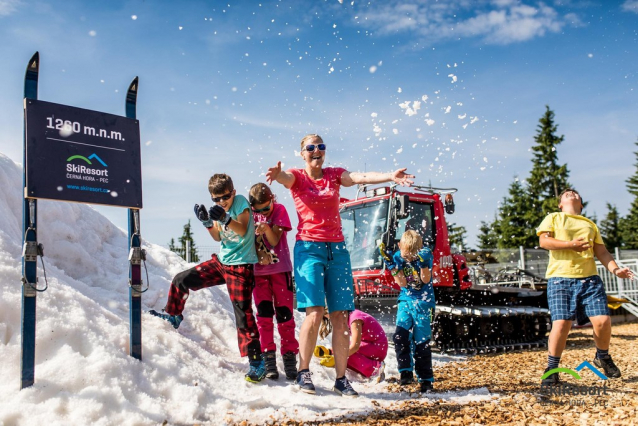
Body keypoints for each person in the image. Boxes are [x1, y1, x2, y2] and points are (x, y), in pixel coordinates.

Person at [266, 133, 414, 397]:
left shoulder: (334, 175)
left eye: (321, 146)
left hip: (337, 251)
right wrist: (277, 176)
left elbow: (359, 178)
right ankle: (303, 372)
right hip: (309, 249)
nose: (316, 150)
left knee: (341, 316)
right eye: (310, 147)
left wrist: (390, 176)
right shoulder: (297, 176)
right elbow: (285, 179)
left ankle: (341, 379)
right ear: (302, 153)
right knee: (314, 311)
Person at [149, 174, 265, 383]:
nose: (222, 202)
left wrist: (225, 218)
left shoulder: (240, 204)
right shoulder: (220, 210)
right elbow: (218, 237)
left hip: (240, 266)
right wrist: (206, 222)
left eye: (225, 197)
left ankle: (257, 361)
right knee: (181, 280)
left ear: (233, 192)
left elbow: (242, 230)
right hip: (222, 263)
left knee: (242, 312)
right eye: (217, 199)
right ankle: (174, 316)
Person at [537, 188, 634, 385]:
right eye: (566, 194)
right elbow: (544, 241)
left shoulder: (590, 224)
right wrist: (570, 245)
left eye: (575, 193)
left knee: (603, 321)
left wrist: (616, 270)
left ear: (581, 204)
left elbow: (603, 253)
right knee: (562, 324)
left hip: (590, 280)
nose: (571, 193)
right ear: (560, 204)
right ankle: (552, 369)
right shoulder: (554, 218)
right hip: (560, 279)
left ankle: (602, 356)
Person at [249, 183, 299, 381]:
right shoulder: (250, 214)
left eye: (265, 208)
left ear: (272, 200)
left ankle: (289, 358)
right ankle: (269, 358)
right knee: (264, 317)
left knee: (285, 316)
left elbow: (275, 240)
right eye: (257, 210)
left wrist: (266, 227)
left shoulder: (279, 210)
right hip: (258, 273)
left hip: (280, 271)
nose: (261, 212)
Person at [379, 230, 436, 393]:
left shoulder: (425, 256)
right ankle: (405, 372)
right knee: (400, 336)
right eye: (406, 255)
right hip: (406, 299)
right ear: (399, 247)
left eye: (412, 256)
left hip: (423, 303)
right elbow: (403, 283)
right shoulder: (398, 256)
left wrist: (423, 264)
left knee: (422, 342)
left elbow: (425, 280)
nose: (408, 259)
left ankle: (426, 379)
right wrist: (392, 266)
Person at [314, 309, 388, 381]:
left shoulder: (355, 320)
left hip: (378, 347)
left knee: (347, 355)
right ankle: (329, 352)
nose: (334, 321)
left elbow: (355, 346)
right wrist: (332, 351)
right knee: (344, 349)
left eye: (334, 317)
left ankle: (375, 368)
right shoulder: (347, 315)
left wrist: (337, 359)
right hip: (368, 344)